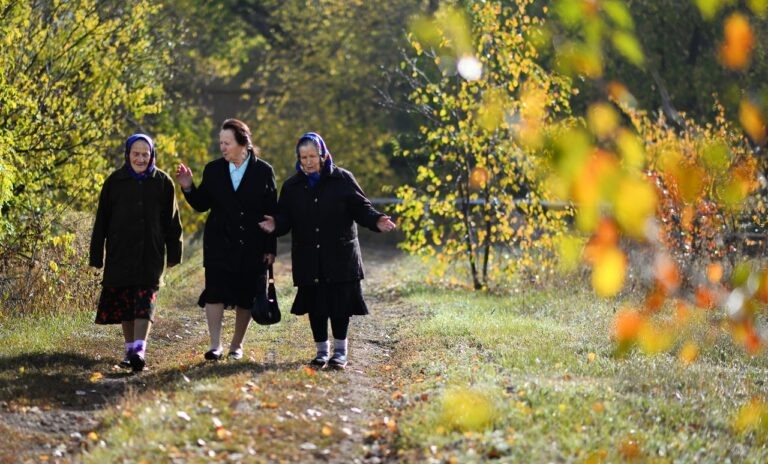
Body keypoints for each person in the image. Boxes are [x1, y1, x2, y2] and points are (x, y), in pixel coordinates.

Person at [258, 132, 396, 369]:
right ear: (298, 158)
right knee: (316, 304)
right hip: (308, 255)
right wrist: (275, 224)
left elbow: (361, 208)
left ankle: (340, 351)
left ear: (322, 155)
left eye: (312, 156)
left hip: (340, 255)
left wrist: (376, 221)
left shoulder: (342, 179)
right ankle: (322, 351)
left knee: (340, 304)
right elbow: (285, 217)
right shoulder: (292, 186)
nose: (308, 161)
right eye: (303, 157)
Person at [176, 118, 277, 361]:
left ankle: (236, 345)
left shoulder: (264, 171)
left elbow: (271, 213)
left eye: (227, 143)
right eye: (221, 142)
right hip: (219, 243)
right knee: (215, 292)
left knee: (246, 296)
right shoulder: (213, 169)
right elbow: (202, 205)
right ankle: (215, 345)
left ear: (243, 143)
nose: (222, 147)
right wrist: (189, 188)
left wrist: (270, 248)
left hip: (251, 244)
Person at [89, 133, 183, 372]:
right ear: (127, 155)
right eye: (136, 154)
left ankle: (140, 349)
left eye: (145, 154)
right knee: (126, 303)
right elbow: (102, 221)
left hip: (150, 253)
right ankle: (130, 349)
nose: (141, 158)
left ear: (152, 155)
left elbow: (173, 222)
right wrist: (96, 255)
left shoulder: (163, 182)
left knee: (144, 301)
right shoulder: (114, 182)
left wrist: (174, 253)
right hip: (120, 253)